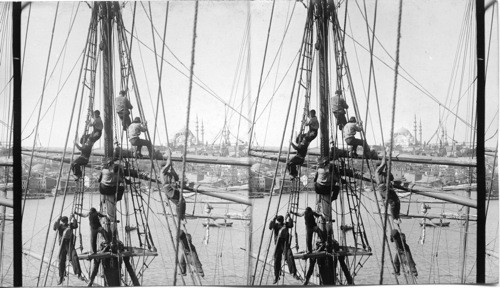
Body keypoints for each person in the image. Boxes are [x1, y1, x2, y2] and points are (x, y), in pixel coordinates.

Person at [98, 159, 128, 234]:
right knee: (121, 188)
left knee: (107, 192)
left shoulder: (104, 171)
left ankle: (104, 200)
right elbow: (122, 181)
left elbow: (99, 180)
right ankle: (116, 199)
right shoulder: (116, 176)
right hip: (109, 190)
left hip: (102, 189)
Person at [53, 215, 83, 284]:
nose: (64, 223)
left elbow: (75, 226)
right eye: (63, 222)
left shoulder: (70, 225)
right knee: (61, 261)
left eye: (65, 222)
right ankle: (61, 277)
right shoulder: (60, 226)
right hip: (62, 245)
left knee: (74, 257)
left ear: (67, 221)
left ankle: (79, 274)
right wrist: (58, 219)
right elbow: (54, 228)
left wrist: (73, 218)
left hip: (69, 244)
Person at [268, 214, 296, 283]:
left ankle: (292, 272)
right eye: (279, 221)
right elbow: (270, 227)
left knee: (288, 256)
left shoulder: (284, 225)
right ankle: (277, 276)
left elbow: (291, 225)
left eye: (280, 221)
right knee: (278, 259)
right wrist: (289, 217)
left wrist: (289, 218)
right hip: (279, 243)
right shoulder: (277, 225)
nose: (280, 222)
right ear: (279, 221)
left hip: (284, 243)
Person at [375, 157, 401, 223]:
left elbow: (392, 178)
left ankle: (397, 216)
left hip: (389, 188)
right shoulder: (377, 171)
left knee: (397, 201)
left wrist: (388, 170)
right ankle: (394, 218)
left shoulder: (384, 173)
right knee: (392, 202)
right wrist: (385, 155)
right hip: (383, 188)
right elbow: (383, 164)